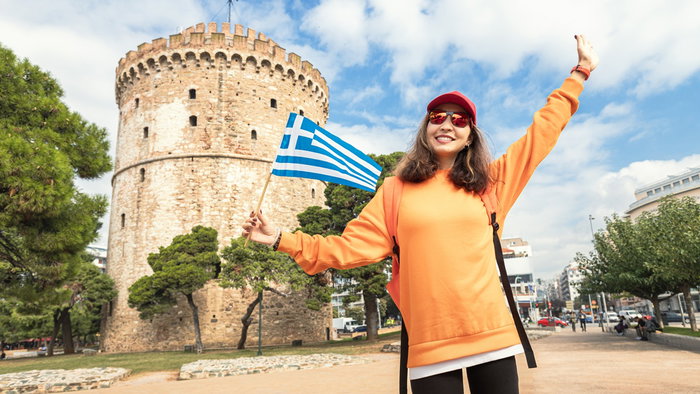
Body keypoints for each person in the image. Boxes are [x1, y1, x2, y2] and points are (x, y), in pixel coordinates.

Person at [243, 35, 598, 394]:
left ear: (470, 136)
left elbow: (543, 132)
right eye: (438, 117)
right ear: (426, 129)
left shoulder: (491, 183)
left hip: (492, 337)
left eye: (459, 120)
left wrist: (580, 73)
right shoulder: (395, 190)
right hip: (430, 346)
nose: (447, 124)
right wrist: (278, 239)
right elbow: (347, 248)